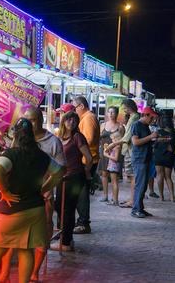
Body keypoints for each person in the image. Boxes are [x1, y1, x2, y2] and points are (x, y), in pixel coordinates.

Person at [0, 118, 64, 283]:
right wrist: (44, 189)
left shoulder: (12, 154)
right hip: (35, 210)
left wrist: (5, 191)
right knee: (26, 251)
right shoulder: (42, 157)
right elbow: (59, 172)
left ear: (15, 135)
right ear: (32, 135)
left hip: (11, 211)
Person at [51, 111, 92, 251]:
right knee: (59, 207)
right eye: (69, 119)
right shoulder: (60, 137)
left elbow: (89, 158)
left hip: (74, 177)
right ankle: (66, 238)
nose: (71, 122)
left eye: (74, 120)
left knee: (67, 209)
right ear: (63, 121)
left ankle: (66, 243)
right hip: (62, 177)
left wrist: (86, 173)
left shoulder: (77, 137)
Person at [72, 96, 100, 234]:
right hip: (85, 161)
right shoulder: (87, 118)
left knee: (82, 194)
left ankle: (83, 222)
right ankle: (82, 221)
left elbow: (87, 140)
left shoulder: (88, 118)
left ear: (81, 106)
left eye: (75, 108)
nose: (74, 111)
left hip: (87, 162)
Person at [107, 99, 140, 208]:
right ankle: (132, 199)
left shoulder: (134, 117)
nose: (124, 110)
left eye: (125, 108)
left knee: (132, 176)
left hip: (130, 150)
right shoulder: (133, 117)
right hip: (128, 150)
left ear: (129, 107)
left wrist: (113, 144)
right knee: (131, 176)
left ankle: (133, 200)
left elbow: (127, 137)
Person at [131, 107, 159, 218]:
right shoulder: (136, 125)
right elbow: (136, 142)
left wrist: (154, 140)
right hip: (139, 159)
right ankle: (136, 209)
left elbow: (145, 141)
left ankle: (140, 208)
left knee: (143, 186)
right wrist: (151, 136)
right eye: (151, 118)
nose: (153, 120)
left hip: (146, 158)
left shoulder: (146, 126)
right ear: (146, 115)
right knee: (140, 185)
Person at [98, 106, 124, 202]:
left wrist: (114, 147)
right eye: (109, 112)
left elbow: (122, 141)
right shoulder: (103, 125)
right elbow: (99, 138)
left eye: (113, 112)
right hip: (104, 152)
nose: (111, 114)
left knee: (114, 177)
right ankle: (105, 195)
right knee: (104, 174)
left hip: (114, 153)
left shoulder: (120, 127)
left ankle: (115, 198)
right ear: (107, 114)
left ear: (117, 114)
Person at [154, 115, 175, 202]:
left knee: (159, 176)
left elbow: (154, 144)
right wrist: (171, 141)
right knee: (168, 177)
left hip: (158, 156)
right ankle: (172, 197)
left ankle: (161, 197)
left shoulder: (158, 132)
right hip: (169, 156)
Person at [103, 131, 123, 205]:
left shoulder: (117, 147)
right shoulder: (115, 146)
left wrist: (107, 155)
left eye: (113, 139)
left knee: (114, 182)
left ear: (116, 139)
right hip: (113, 165)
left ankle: (115, 200)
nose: (112, 141)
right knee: (114, 182)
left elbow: (116, 158)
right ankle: (114, 198)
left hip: (114, 166)